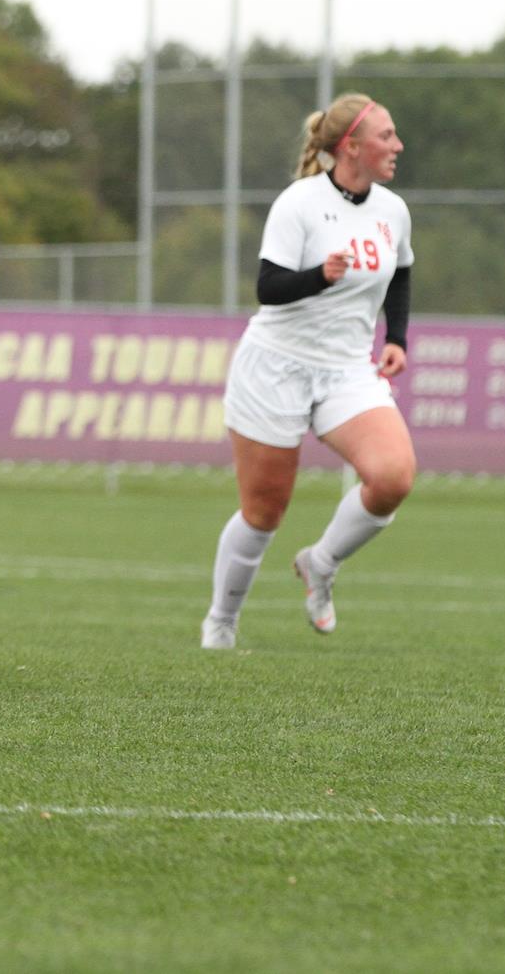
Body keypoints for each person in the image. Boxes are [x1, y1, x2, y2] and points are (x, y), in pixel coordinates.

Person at [201, 93, 415, 649]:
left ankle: (320, 565)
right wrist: (321, 275)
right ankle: (221, 622)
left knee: (393, 478)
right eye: (386, 136)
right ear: (351, 147)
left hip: (346, 368)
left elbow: (401, 274)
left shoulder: (392, 209)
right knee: (264, 511)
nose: (397, 145)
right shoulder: (299, 203)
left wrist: (395, 337)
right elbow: (268, 290)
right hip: (276, 366)